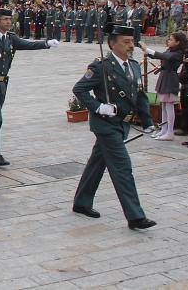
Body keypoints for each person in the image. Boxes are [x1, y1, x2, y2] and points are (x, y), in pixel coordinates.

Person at [71, 24, 157, 230]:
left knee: (97, 164)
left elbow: (140, 95)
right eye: (125, 42)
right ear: (112, 44)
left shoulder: (134, 65)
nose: (130, 46)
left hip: (123, 124)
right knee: (122, 167)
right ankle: (135, 216)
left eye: (132, 42)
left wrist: (147, 122)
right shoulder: (101, 65)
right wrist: (98, 107)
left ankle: (81, 202)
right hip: (105, 125)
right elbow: (79, 89)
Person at [0, 8, 57, 167]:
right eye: (4, 19)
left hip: (3, 83)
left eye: (9, 20)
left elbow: (27, 45)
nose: (8, 22)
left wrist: (46, 43)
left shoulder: (10, 38)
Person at [139, 33, 187, 141]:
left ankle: (170, 131)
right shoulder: (170, 50)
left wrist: (148, 49)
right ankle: (164, 129)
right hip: (164, 77)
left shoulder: (177, 53)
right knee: (164, 105)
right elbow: (159, 55)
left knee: (169, 106)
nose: (168, 41)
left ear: (177, 42)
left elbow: (164, 56)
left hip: (170, 78)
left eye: (170, 39)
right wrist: (145, 50)